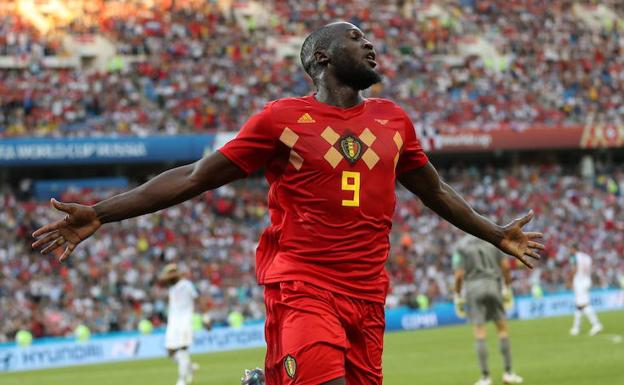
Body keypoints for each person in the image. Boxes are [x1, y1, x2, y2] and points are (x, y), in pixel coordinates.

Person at [32, 22, 543, 385]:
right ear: (321, 57)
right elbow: (195, 177)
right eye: (355, 38)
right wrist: (101, 211)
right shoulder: (282, 120)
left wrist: (495, 233)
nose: (369, 45)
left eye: (368, 37)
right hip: (302, 283)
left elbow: (436, 192)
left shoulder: (394, 121)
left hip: (368, 295)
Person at [453, 235, 523, 385]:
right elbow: (505, 266)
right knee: (502, 330)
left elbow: (459, 275)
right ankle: (508, 373)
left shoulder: (461, 245)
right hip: (493, 284)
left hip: (473, 287)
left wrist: (457, 295)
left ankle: (485, 377)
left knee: (479, 332)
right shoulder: (494, 239)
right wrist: (507, 287)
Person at [158, 263, 199, 385]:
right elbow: (160, 281)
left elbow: (197, 298)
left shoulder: (186, 285)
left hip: (185, 321)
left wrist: (205, 317)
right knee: (170, 351)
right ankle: (189, 367)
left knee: (182, 349)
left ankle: (181, 380)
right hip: (173, 323)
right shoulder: (171, 287)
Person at [569, 244, 603, 336]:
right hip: (587, 280)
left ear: (574, 249)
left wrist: (569, 280)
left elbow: (574, 269)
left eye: (570, 249)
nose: (570, 251)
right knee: (579, 305)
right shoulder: (587, 257)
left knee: (583, 305)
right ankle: (576, 328)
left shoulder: (574, 257)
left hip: (579, 281)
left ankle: (596, 324)